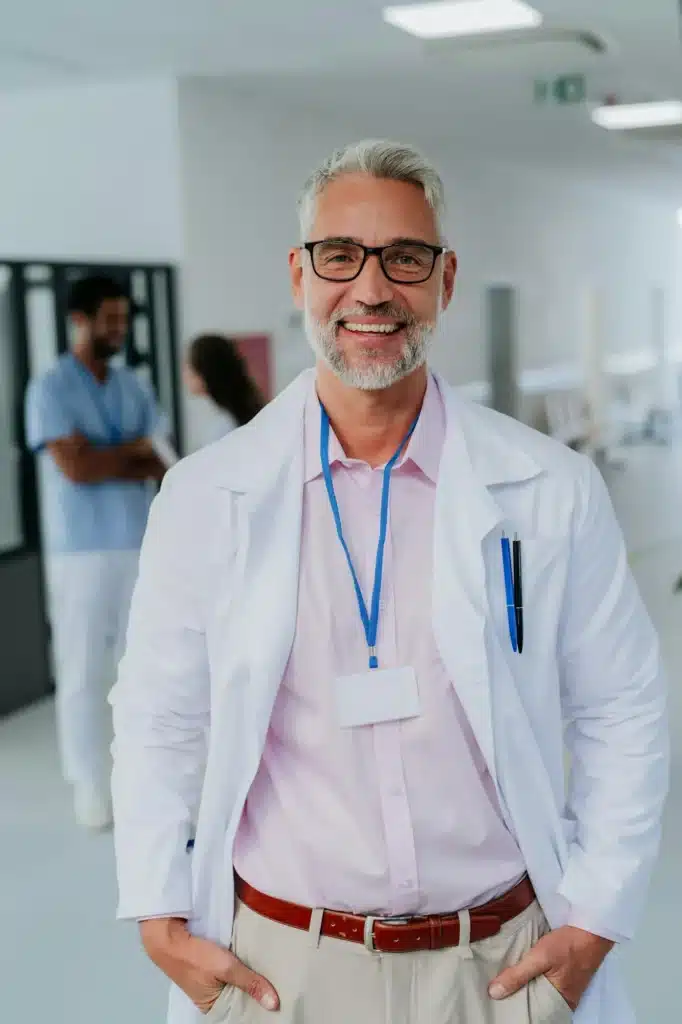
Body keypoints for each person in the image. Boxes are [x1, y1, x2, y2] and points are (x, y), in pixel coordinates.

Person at [110, 142, 669, 1024]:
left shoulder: (549, 486)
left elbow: (622, 707)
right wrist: (156, 908)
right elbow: (158, 715)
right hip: (281, 969)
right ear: (300, 274)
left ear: (445, 283)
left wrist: (597, 919)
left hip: (499, 964)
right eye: (341, 255)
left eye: (406, 258)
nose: (372, 290)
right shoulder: (206, 494)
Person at [25, 273, 166, 830]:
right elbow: (75, 469)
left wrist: (115, 453)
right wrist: (126, 452)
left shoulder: (135, 385)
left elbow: (158, 461)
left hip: (136, 542)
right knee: (83, 670)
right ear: (79, 319)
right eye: (109, 319)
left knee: (144, 667)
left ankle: (144, 776)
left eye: (123, 319)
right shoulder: (51, 388)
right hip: (79, 552)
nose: (119, 328)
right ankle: (87, 783)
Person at [183, 333, 264, 449]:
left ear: (205, 372)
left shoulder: (223, 428)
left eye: (189, 366)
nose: (185, 374)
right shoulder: (233, 416)